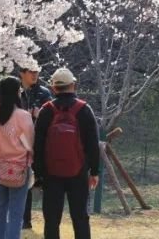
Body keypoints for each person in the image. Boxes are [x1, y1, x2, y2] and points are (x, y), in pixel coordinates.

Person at [32, 67, 100, 239]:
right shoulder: (84, 109)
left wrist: (38, 174)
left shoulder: (46, 111)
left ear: (53, 88)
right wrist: (94, 171)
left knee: (52, 220)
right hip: (78, 171)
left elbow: (38, 145)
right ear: (73, 85)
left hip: (51, 174)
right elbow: (93, 144)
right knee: (80, 217)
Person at [0, 76, 35, 239]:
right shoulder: (23, 115)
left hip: (0, 167)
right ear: (17, 92)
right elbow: (29, 143)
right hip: (20, 168)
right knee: (16, 214)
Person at [18, 60, 53, 229]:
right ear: (22, 73)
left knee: (45, 182)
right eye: (31, 71)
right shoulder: (16, 92)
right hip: (19, 144)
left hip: (40, 144)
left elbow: (53, 118)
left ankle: (50, 223)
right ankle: (25, 221)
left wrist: (40, 115)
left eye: (36, 71)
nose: (35, 75)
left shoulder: (44, 93)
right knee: (23, 183)